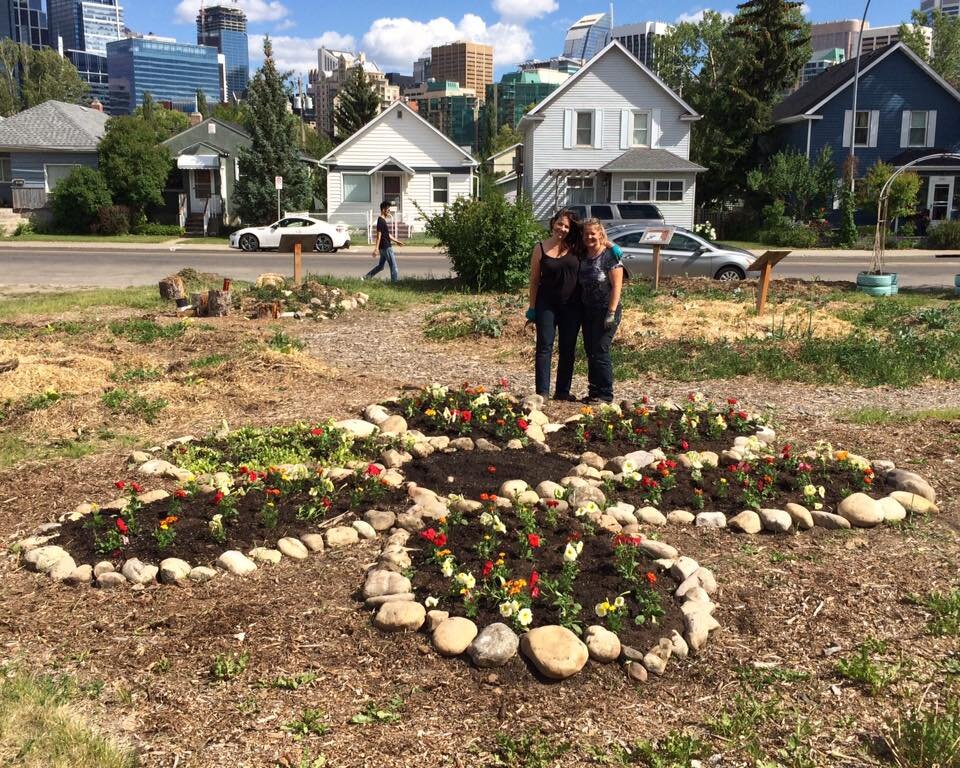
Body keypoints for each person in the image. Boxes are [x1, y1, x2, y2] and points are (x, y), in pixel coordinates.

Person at [526, 209, 582, 401]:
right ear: (553, 223)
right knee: (544, 347)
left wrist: (611, 246)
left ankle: (562, 391)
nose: (563, 229)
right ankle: (542, 391)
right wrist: (532, 308)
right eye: (560, 224)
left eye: (567, 226)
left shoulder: (576, 246)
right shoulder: (540, 248)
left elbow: (598, 240)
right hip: (546, 304)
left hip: (572, 305)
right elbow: (534, 280)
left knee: (568, 348)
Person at [576, 218, 624, 404]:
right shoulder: (583, 255)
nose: (589, 237)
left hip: (607, 310)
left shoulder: (609, 256)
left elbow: (616, 287)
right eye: (586, 234)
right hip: (589, 310)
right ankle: (594, 391)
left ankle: (605, 394)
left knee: (601, 349)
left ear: (600, 235)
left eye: (593, 234)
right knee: (591, 351)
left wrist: (611, 312)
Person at [364, 201, 404, 282]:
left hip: (383, 248)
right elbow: (379, 236)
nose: (389, 212)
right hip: (386, 247)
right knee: (393, 266)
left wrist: (396, 241)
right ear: (383, 210)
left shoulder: (382, 220)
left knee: (380, 266)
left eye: (389, 210)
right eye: (388, 210)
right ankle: (394, 283)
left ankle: (366, 278)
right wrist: (376, 248)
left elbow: (387, 234)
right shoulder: (381, 221)